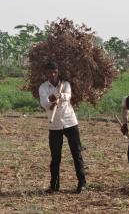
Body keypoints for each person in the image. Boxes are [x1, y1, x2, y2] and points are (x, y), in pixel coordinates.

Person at [39, 61, 86, 194]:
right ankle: (54, 186)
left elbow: (68, 96)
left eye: (54, 72)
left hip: (70, 122)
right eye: (50, 72)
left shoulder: (65, 84)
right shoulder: (43, 87)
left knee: (76, 154)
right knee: (55, 157)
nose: (52, 74)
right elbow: (44, 103)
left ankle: (82, 184)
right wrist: (51, 103)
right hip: (54, 126)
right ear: (46, 73)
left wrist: (60, 95)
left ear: (58, 72)